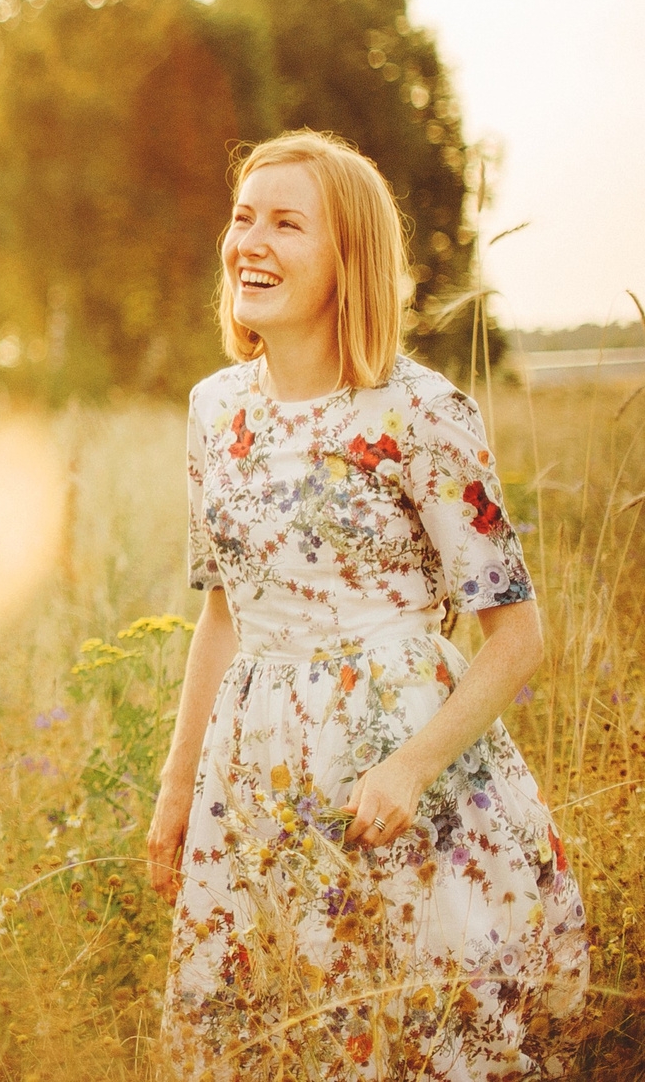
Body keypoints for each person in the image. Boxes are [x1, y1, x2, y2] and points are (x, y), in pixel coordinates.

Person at [147, 130, 587, 1077]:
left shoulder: (419, 412)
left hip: (397, 776)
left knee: (415, 1036)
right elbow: (225, 611)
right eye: (242, 218)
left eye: (286, 223)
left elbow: (517, 637)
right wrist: (178, 783)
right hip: (255, 775)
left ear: (349, 260)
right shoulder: (214, 412)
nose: (249, 242)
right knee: (278, 1037)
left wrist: (412, 768)